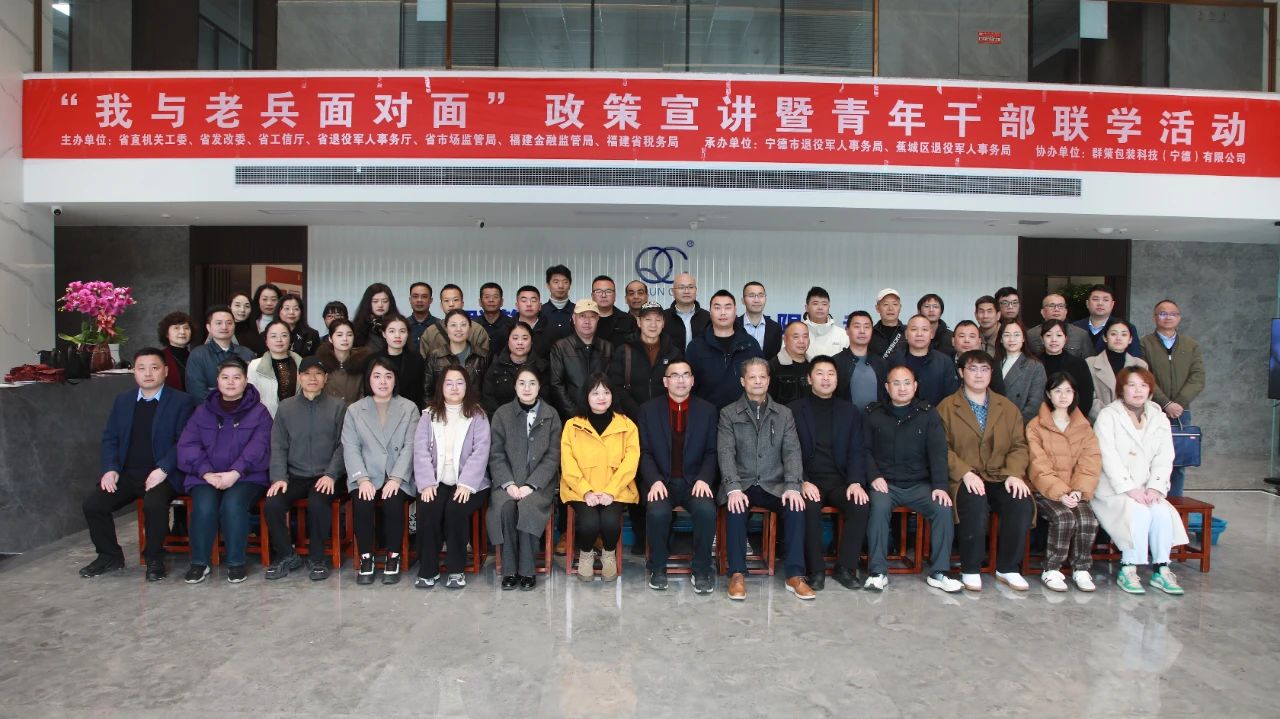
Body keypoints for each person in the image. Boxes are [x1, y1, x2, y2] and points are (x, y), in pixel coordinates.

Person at [79, 348, 197, 581]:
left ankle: (154, 558)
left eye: (154, 368)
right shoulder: (123, 401)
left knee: (154, 503)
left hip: (164, 474)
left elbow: (185, 442)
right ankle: (109, 556)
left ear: (165, 371)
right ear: (134, 372)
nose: (148, 373)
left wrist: (163, 469)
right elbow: (111, 438)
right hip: (128, 473)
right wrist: (110, 469)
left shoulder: (181, 401)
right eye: (142, 368)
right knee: (93, 504)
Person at [937, 350, 1033, 592]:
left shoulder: (1007, 407)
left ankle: (1008, 567)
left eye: (984, 369)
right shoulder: (946, 407)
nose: (979, 374)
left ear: (992, 373)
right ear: (961, 373)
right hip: (964, 477)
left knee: (1020, 501)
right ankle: (970, 567)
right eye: (972, 369)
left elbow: (1019, 445)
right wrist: (965, 472)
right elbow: (941, 448)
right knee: (975, 503)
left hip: (1000, 475)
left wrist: (1014, 473)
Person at [718, 358, 813, 601]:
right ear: (743, 381)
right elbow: (726, 453)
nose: (758, 381)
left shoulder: (784, 414)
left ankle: (795, 575)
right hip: (743, 483)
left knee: (796, 505)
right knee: (736, 507)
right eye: (752, 377)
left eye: (762, 377)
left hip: (775, 484)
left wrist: (793, 486)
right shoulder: (728, 413)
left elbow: (792, 452)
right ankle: (737, 574)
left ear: (769, 380)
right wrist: (733, 488)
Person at [862, 366, 962, 593]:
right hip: (886, 484)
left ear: (915, 386)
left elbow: (938, 452)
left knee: (943, 508)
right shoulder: (873, 414)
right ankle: (877, 572)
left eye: (907, 383)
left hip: (920, 484)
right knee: (878, 508)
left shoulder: (928, 414)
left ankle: (940, 572)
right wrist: (874, 476)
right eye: (896, 383)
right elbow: (863, 450)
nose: (902, 388)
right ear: (887, 387)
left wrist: (940, 486)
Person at [1092, 367, 1189, 595]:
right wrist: (1129, 488)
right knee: (1139, 512)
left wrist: (1155, 487)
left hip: (1146, 487)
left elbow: (1165, 457)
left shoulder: (1158, 417)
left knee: (1161, 511)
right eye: (1132, 385)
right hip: (1113, 488)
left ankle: (1162, 568)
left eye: (1143, 386)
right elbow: (1108, 457)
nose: (1138, 391)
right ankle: (1129, 567)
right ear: (1121, 389)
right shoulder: (1108, 416)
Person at [177, 358, 272, 584]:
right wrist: (206, 473)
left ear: (246, 381)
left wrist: (235, 472)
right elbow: (188, 445)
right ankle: (199, 563)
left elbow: (259, 447)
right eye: (225, 377)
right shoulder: (202, 411)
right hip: (206, 477)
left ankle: (236, 563)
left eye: (236, 378)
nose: (231, 382)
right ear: (217, 381)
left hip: (246, 476)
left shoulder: (259, 412)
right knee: (204, 506)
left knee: (233, 505)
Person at [262, 357, 347, 581]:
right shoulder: (286, 407)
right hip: (294, 475)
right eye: (307, 373)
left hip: (326, 475)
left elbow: (344, 445)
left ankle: (317, 558)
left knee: (318, 503)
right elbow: (278, 445)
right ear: (299, 378)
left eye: (318, 373)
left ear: (326, 378)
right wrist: (279, 477)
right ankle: (287, 555)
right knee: (272, 504)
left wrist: (331, 474)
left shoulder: (338, 407)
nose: (312, 378)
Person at [638, 360, 718, 593]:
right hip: (661, 481)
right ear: (665, 382)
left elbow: (712, 451)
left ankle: (701, 570)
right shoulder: (648, 410)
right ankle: (657, 568)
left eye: (685, 375)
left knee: (706, 511)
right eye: (675, 375)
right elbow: (644, 452)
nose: (681, 380)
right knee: (657, 512)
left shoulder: (707, 410)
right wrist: (654, 481)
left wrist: (704, 478)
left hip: (695, 482)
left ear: (692, 380)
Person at [791, 356, 870, 591]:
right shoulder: (793, 410)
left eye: (831, 374)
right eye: (820, 373)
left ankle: (845, 568)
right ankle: (815, 570)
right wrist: (802, 480)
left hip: (840, 481)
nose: (825, 379)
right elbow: (788, 451)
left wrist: (855, 482)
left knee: (860, 504)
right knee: (808, 506)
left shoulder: (849, 411)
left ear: (837, 379)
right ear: (809, 379)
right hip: (808, 480)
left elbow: (857, 450)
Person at [342, 356, 420, 586]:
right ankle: (366, 558)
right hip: (366, 475)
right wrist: (362, 479)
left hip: (398, 474)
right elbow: (351, 447)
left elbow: (411, 446)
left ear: (395, 380)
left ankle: (393, 557)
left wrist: (396, 478)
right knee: (362, 502)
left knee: (393, 502)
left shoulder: (409, 408)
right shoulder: (355, 410)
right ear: (369, 379)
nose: (383, 382)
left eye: (388, 376)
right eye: (377, 376)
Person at [413, 365, 492, 590]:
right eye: (449, 383)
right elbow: (420, 451)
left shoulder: (478, 415)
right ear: (441, 387)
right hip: (436, 481)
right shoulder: (428, 415)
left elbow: (481, 452)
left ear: (467, 386)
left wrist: (466, 483)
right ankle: (428, 570)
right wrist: (426, 483)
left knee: (455, 510)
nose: (454, 387)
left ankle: (456, 570)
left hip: (470, 483)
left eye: (460, 382)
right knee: (429, 509)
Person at [560, 373, 640, 582]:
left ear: (613, 395)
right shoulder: (572, 425)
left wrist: (610, 492)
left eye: (606, 392)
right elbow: (568, 463)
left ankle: (609, 554)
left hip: (615, 490)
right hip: (580, 490)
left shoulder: (627, 425)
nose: (602, 397)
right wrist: (585, 491)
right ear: (586, 396)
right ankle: (586, 554)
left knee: (610, 522)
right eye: (595, 393)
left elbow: (631, 462)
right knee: (589, 523)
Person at [488, 367, 562, 590]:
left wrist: (531, 484)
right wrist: (508, 484)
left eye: (532, 383)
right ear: (515, 386)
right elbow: (496, 454)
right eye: (522, 383)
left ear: (539, 387)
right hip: (506, 484)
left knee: (528, 507)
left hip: (539, 485)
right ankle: (509, 570)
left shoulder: (551, 415)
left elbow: (553, 456)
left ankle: (527, 570)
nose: (527, 388)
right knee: (506, 508)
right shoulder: (502, 414)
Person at [1027, 373, 1102, 592]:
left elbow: (1090, 462)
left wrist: (1078, 491)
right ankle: (1051, 569)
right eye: (1058, 390)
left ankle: (1081, 569)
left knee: (1088, 520)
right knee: (1064, 518)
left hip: (1074, 491)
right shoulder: (1036, 426)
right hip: (1044, 490)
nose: (1063, 396)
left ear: (1075, 395)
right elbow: (1037, 464)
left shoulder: (1084, 426)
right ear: (1048, 394)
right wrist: (1060, 493)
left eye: (1068, 391)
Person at [1140, 299, 1205, 497]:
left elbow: (1198, 377)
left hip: (1180, 412)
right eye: (1162, 313)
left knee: (1177, 460)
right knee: (1148, 458)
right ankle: (1149, 500)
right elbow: (1144, 376)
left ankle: (1175, 503)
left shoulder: (1191, 345)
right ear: (1154, 317)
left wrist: (1178, 404)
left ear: (1179, 318)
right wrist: (1165, 403)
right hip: (1151, 409)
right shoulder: (1144, 344)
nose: (1167, 317)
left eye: (1173, 314)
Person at [686, 290, 763, 410]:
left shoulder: (750, 344)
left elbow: (761, 382)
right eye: (717, 308)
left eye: (728, 307)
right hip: (707, 415)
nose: (723, 312)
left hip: (745, 415)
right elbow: (688, 385)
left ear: (735, 311)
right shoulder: (696, 346)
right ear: (710, 312)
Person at [608, 301, 683, 419]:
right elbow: (616, 386)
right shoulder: (624, 351)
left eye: (658, 320)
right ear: (639, 322)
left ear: (663, 323)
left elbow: (680, 386)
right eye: (648, 319)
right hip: (630, 419)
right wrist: (638, 413)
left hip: (665, 417)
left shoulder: (673, 353)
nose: (653, 325)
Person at [549, 299, 614, 420]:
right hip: (571, 418)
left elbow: (611, 383)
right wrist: (575, 414)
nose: (587, 321)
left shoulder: (607, 347)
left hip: (602, 415)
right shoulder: (561, 347)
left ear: (598, 319)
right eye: (582, 316)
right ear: (574, 318)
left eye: (592, 317)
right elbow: (556, 385)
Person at [884, 315, 958, 405]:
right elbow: (886, 395)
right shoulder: (893, 360)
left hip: (936, 413)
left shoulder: (944, 362)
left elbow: (950, 397)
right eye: (914, 329)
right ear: (906, 334)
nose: (919, 334)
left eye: (924, 329)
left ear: (931, 334)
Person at [185, 305, 254, 399]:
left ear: (234, 325)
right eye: (218, 323)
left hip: (245, 407)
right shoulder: (198, 355)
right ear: (208, 327)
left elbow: (254, 387)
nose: (224, 327)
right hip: (209, 408)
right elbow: (197, 392)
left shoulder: (247, 353)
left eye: (229, 323)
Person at [481, 321, 548, 417]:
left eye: (525, 338)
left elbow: (546, 399)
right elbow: (488, 398)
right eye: (515, 338)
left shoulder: (541, 367)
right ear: (508, 341)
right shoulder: (496, 366)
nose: (520, 342)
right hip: (501, 420)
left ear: (532, 341)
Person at [422, 309, 489, 404]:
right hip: (442, 410)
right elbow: (427, 391)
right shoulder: (435, 356)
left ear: (470, 328)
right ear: (446, 329)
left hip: (475, 409)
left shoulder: (482, 356)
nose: (458, 329)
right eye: (453, 325)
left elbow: (488, 392)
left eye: (463, 325)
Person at [1087, 322, 1149, 421]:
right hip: (1101, 421)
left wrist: (1129, 418)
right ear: (1105, 337)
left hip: (1131, 422)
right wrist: (1110, 418)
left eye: (1124, 334)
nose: (1118, 338)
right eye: (1113, 334)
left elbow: (1145, 396)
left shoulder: (1141, 365)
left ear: (1130, 339)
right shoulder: (1090, 363)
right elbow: (1088, 398)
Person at [991, 319, 1047, 423]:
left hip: (1020, 424)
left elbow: (1035, 404)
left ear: (1023, 338)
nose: (1012, 339)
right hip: (994, 422)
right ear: (1001, 339)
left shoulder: (1035, 366)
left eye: (1016, 335)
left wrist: (1016, 424)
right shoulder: (992, 364)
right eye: (1007, 335)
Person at [419, 284, 491, 359]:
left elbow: (485, 360)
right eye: (446, 301)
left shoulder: (478, 330)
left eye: (455, 300)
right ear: (441, 305)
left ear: (462, 303)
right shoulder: (430, 332)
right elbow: (423, 362)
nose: (451, 304)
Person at [834, 310, 887, 412]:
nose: (862, 331)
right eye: (857, 326)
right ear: (847, 330)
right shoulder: (836, 362)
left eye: (867, 327)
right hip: (846, 419)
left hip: (877, 420)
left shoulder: (881, 363)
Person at [1039, 320, 1095, 416]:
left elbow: (1086, 397)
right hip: (1040, 417)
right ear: (1041, 339)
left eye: (1059, 335)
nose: (1054, 339)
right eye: (1048, 335)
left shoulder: (1079, 364)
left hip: (1072, 417)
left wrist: (1070, 418)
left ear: (1065, 338)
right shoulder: (1034, 364)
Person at [247, 320, 301, 418]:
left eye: (284, 335)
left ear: (290, 339)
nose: (279, 340)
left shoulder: (300, 364)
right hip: (265, 419)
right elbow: (251, 397)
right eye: (273, 336)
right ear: (266, 340)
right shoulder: (255, 366)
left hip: (296, 418)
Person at [1073, 284, 1142, 358]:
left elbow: (1135, 357)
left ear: (1112, 304)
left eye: (1105, 300)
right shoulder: (1075, 327)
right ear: (1087, 303)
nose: (1100, 303)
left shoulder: (1127, 328)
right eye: (1095, 299)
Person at [315, 319, 371, 406]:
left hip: (356, 411)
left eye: (349, 335)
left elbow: (365, 393)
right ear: (330, 338)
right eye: (339, 335)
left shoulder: (363, 363)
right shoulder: (320, 364)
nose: (345, 339)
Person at [376, 314, 425, 408]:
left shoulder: (417, 360)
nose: (397, 336)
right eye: (392, 331)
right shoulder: (374, 360)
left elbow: (421, 393)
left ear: (408, 334)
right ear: (384, 334)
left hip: (411, 411)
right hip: (380, 410)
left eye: (402, 331)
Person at [1027, 293, 1091, 358]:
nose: (1056, 309)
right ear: (1042, 312)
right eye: (1051, 306)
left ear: (1066, 312)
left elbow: (1090, 360)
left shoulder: (1080, 334)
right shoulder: (1031, 334)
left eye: (1061, 306)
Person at [662, 272, 710, 350]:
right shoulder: (662, 317)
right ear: (673, 292)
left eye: (690, 287)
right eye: (681, 287)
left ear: (696, 290)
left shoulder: (708, 317)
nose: (686, 291)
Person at [767, 320, 811, 405]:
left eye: (805, 336)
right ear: (785, 339)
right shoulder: (772, 367)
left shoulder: (814, 366)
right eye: (796, 337)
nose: (801, 341)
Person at [736, 281, 782, 359]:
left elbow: (774, 358)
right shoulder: (733, 326)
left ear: (765, 299)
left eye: (761, 295)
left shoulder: (775, 328)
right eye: (751, 295)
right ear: (743, 300)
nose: (756, 300)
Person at [592, 275, 639, 348]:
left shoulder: (628, 320)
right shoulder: (584, 321)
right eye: (598, 291)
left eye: (608, 291)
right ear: (592, 296)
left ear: (615, 295)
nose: (603, 295)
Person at [802, 286, 849, 359]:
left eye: (824, 304)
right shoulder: (797, 332)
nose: (820, 308)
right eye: (815, 304)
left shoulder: (842, 335)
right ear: (806, 307)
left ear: (829, 307)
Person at [352, 282, 399, 351]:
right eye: (375, 301)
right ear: (368, 303)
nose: (380, 305)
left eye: (384, 301)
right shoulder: (358, 327)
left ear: (390, 303)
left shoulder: (398, 325)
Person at [515, 285, 555, 361]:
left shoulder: (551, 330)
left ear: (540, 306)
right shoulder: (507, 328)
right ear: (517, 306)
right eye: (524, 301)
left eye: (533, 300)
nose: (529, 304)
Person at [157, 311, 193, 391]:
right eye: (176, 328)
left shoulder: (195, 356)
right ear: (167, 334)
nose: (182, 332)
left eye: (186, 328)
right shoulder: (159, 358)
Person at [277, 293, 320, 358]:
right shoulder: (269, 333)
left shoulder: (312, 335)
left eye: (296, 309)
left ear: (301, 312)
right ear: (279, 310)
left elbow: (316, 360)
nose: (291, 312)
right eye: (287, 308)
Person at [541, 264, 575, 342]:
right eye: (556, 282)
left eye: (565, 282)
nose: (560, 286)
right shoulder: (540, 312)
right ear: (548, 285)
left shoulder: (578, 311)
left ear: (570, 285)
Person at [477, 282, 516, 349]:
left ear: (502, 302)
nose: (491, 300)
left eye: (495, 297)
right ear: (480, 302)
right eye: (487, 297)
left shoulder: (512, 324)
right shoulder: (473, 325)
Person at [869, 288, 905, 359]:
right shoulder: (869, 333)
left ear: (900, 307)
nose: (890, 308)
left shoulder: (908, 332)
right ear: (877, 308)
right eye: (886, 304)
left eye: (895, 304)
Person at [406, 282, 437, 350]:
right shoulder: (403, 325)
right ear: (410, 300)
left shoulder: (439, 326)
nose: (419, 300)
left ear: (431, 300)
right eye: (415, 296)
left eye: (424, 296)